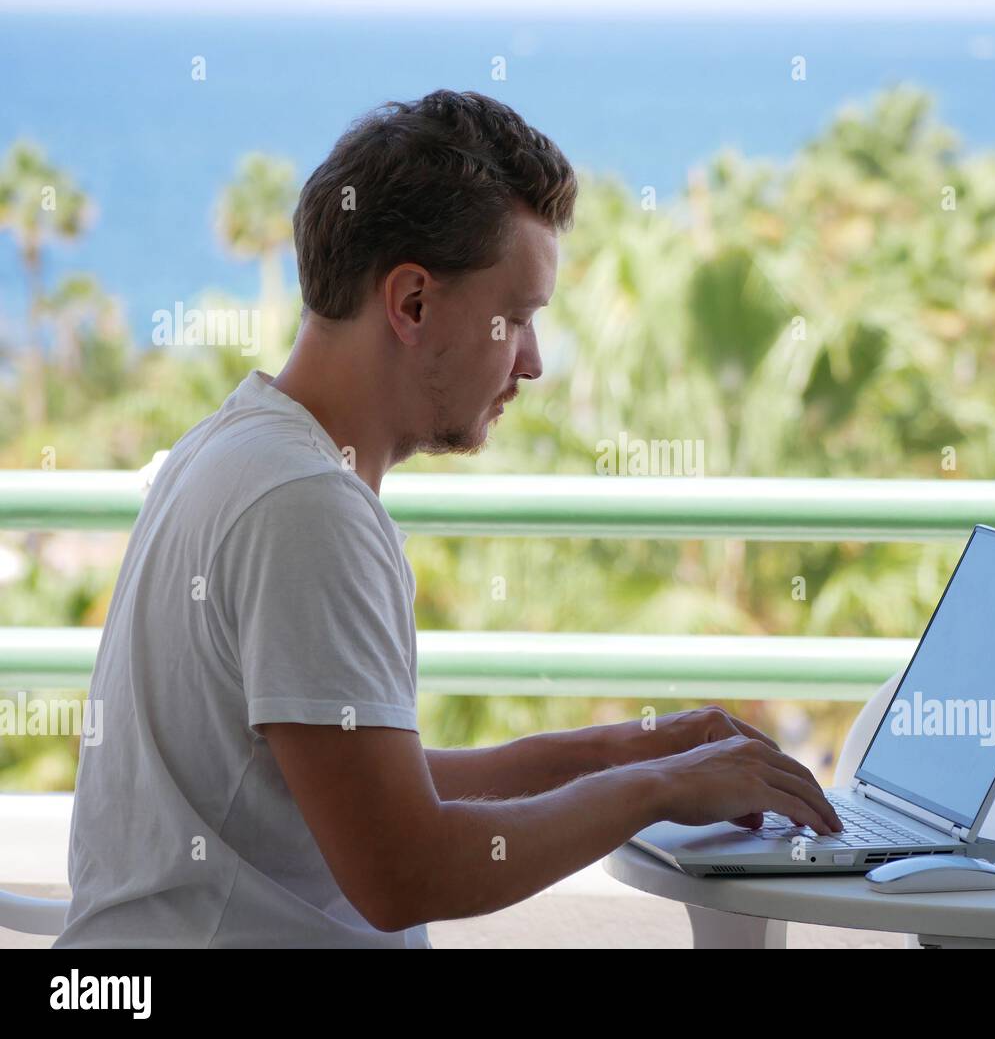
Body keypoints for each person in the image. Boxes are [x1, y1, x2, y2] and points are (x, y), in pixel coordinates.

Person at [55, 90, 840, 948]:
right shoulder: (307, 508)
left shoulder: (235, 446)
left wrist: (625, 751)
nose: (533, 362)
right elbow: (404, 872)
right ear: (413, 303)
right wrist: (655, 794)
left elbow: (369, 790)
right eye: (521, 317)